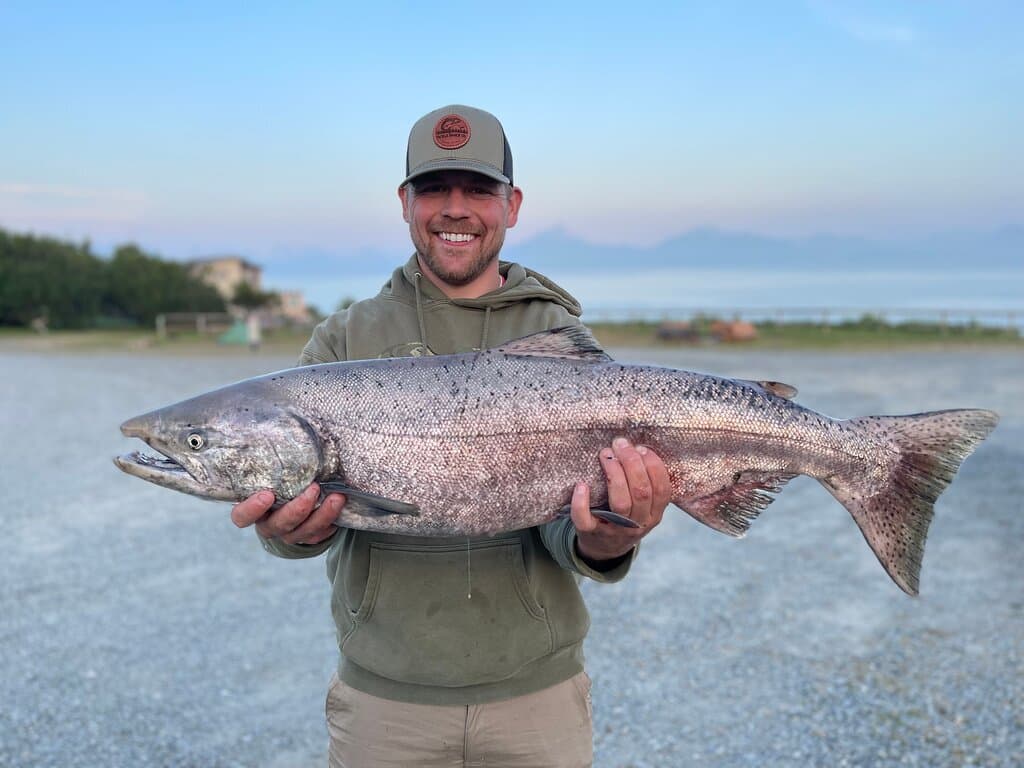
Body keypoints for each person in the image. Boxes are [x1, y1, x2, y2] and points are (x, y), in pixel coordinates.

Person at [231, 105, 672, 768]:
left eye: (478, 189)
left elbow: (570, 525)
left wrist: (606, 540)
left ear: (511, 205)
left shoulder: (557, 336)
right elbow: (294, 517)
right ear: (405, 203)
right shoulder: (344, 341)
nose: (455, 209)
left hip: (538, 700)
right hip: (384, 704)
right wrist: (288, 532)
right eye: (435, 188)